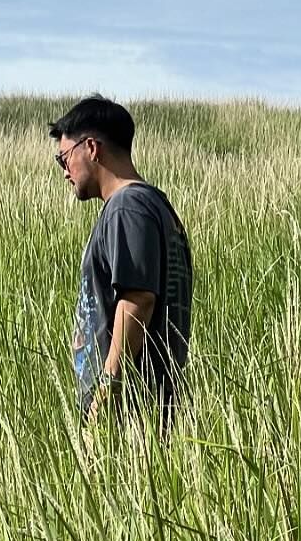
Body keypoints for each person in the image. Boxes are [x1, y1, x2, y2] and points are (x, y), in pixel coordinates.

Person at [49, 95, 193, 430]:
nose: (65, 173)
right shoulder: (156, 206)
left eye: (65, 158)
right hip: (149, 404)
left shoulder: (127, 207)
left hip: (129, 411)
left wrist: (106, 391)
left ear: (92, 148)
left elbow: (137, 300)